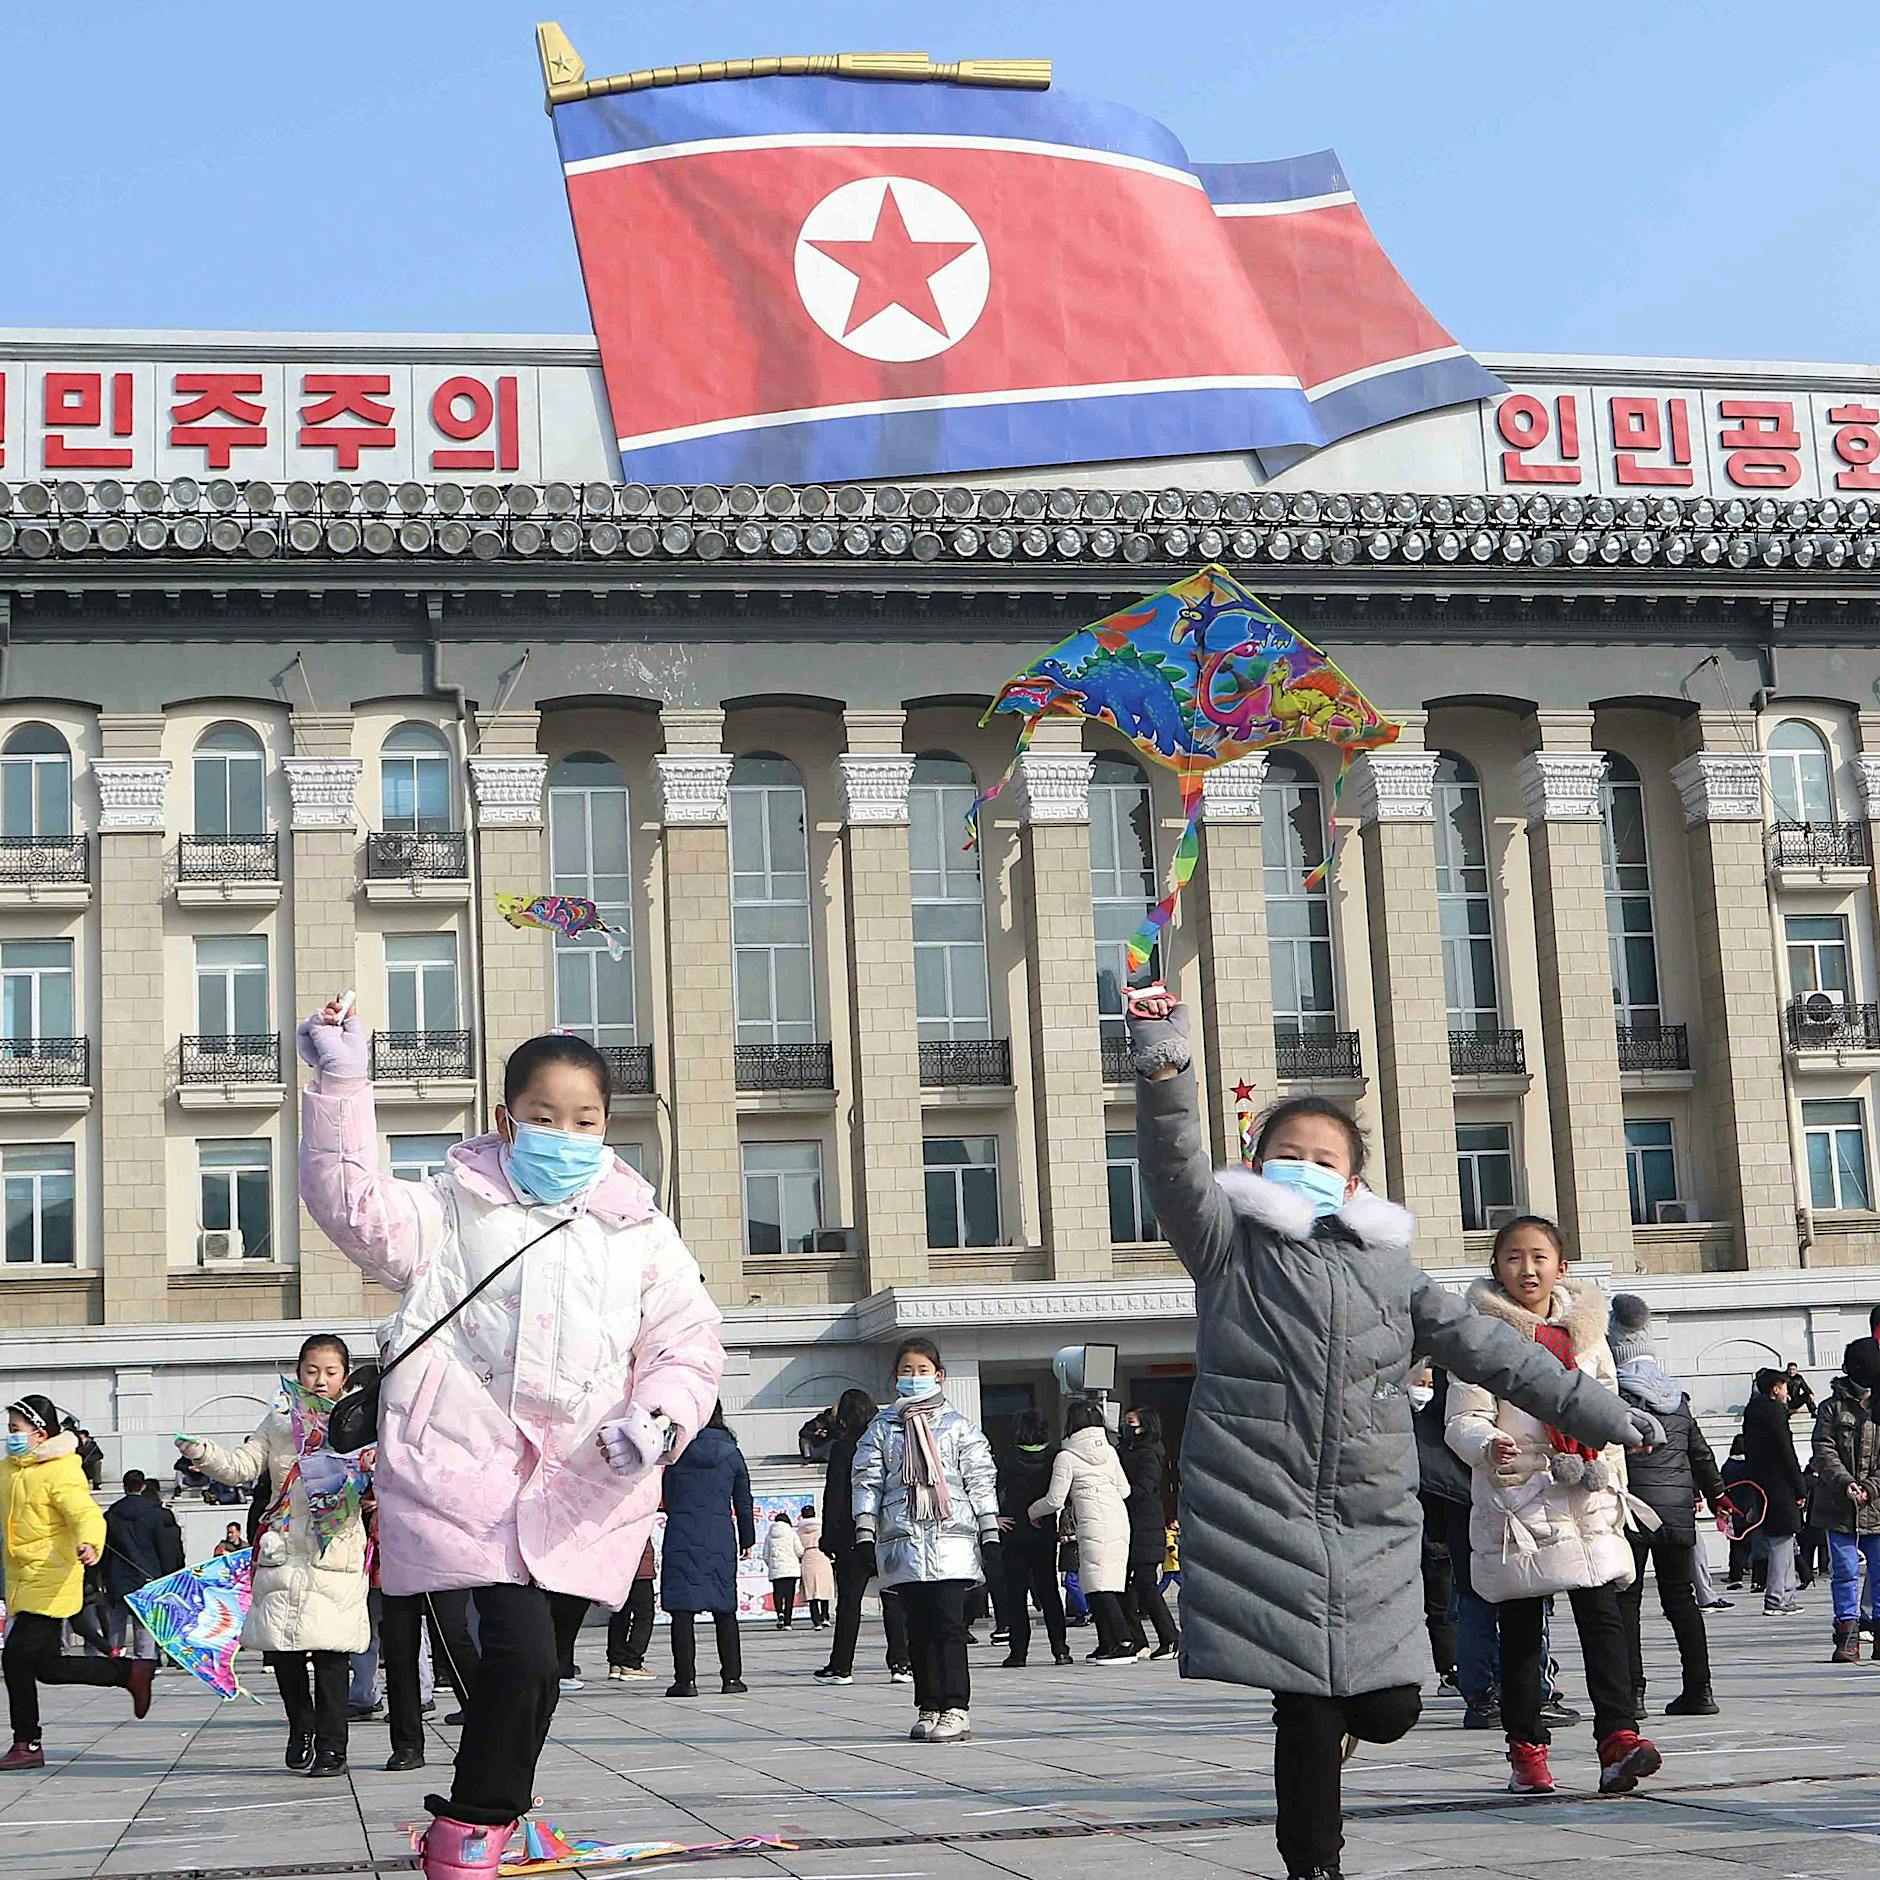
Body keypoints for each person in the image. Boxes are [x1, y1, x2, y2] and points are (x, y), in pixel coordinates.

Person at [1122, 987, 1655, 1880]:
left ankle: (1348, 1738)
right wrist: (1164, 1066)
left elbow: (1495, 1350)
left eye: (1322, 1157)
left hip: (1370, 1510)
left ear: (1353, 1181)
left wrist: (1601, 1412)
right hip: (1262, 1503)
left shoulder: (1391, 1272)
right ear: (1256, 1166)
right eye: (1286, 1154)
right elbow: (1173, 1166)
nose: (1304, 1165)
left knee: (1391, 1708)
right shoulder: (1226, 1246)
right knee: (1305, 1704)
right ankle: (1314, 1865)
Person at [294, 1007, 725, 1880]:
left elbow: (687, 1340)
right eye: (544, 1116)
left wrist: (659, 1421)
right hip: (468, 1472)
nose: (565, 1135)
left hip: (586, 1486)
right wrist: (341, 1082)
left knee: (539, 1673)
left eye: (585, 1120)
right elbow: (353, 1208)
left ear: (608, 1126)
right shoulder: (452, 1207)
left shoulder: (639, 1230)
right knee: (522, 1659)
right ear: (506, 1119)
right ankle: (469, 1834)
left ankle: (486, 1824)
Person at [1447, 1218, 1664, 1800]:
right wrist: (1487, 1444)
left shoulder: (1588, 1335)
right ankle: (1526, 1750)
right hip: (1519, 1496)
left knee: (1604, 1617)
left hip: (1584, 1492)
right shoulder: (1477, 1337)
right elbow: (1462, 1418)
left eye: (1539, 1256)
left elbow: (1608, 1411)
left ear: (1561, 1268)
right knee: (1522, 1630)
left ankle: (1618, 1739)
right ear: (1496, 1268)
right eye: (1513, 1257)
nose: (1528, 1269)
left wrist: (1614, 1476)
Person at [179, 1333, 370, 1778]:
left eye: (330, 1372)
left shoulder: (360, 1422)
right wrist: (202, 1452)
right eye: (311, 1371)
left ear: (344, 1377)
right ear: (298, 1373)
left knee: (332, 1653)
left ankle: (332, 1747)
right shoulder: (278, 1423)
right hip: (283, 1548)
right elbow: (242, 1466)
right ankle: (300, 1725)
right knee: (282, 1649)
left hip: (333, 1549)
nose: (320, 1380)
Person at [852, 1337, 1000, 1744]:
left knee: (950, 1624)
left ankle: (956, 1707)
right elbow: (867, 1480)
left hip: (951, 1537)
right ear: (895, 1377)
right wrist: (865, 1530)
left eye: (922, 1371)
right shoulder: (882, 1428)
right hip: (903, 1537)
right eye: (907, 1371)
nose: (914, 1378)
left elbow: (980, 1477)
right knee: (916, 1627)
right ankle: (928, 1704)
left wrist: (989, 1530)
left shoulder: (959, 1427)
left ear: (939, 1375)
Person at [2, 1393, 155, 1767]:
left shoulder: (62, 1470)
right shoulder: (9, 1469)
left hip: (51, 1575)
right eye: (9, 1428)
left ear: (40, 1433)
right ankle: (129, 1672)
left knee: (15, 1657)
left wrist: (90, 1543)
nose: (10, 1435)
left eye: (16, 1429)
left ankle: (27, 1744)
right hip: (22, 1577)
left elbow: (85, 1513)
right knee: (47, 1667)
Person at [1607, 1294, 1724, 1718]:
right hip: (1676, 1511)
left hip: (1632, 1509)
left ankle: (1632, 1694)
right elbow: (1701, 1454)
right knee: (1681, 1598)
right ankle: (1700, 1689)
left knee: (1627, 1600)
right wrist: (1719, 1496)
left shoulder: (1613, 1395)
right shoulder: (1677, 1398)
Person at [815, 1388, 911, 1686]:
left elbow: (835, 1496)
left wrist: (828, 1537)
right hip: (887, 1530)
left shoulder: (843, 1448)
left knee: (849, 1603)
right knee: (894, 1599)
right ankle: (901, 1664)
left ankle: (841, 1666)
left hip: (851, 1535)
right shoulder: (887, 1443)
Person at [1030, 1400, 1135, 1665]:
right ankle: (1106, 1643)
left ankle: (1124, 1641)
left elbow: (1054, 1499)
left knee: (1097, 1584)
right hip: (1118, 1519)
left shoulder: (1067, 1456)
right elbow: (1125, 1490)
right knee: (1104, 1581)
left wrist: (1032, 1511)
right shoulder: (1110, 1451)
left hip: (1092, 1520)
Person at [659, 1403, 753, 1696]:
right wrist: (747, 1539)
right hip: (720, 1536)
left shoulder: (675, 1451)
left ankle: (685, 1681)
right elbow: (743, 1501)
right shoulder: (732, 1453)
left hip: (682, 1533)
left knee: (681, 1611)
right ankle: (732, 1678)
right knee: (724, 1609)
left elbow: (667, 1495)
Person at [1812, 1337, 1880, 1662]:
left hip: (1876, 1504)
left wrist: (1871, 1486)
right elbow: (1823, 1449)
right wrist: (1847, 1483)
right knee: (1844, 1570)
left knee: (1879, 1572)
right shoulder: (1831, 1407)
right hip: (1838, 1504)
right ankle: (1848, 1635)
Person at [995, 1408, 1071, 1669]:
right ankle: (1060, 1649)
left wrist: (995, 1518)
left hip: (1013, 1530)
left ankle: (1018, 1652)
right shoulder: (1054, 1456)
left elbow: (993, 1489)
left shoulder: (1007, 1458)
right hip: (1043, 1529)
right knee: (1049, 1591)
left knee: (1015, 1594)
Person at [1742, 1368, 1807, 1614]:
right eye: (1785, 1388)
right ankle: (1777, 1597)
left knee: (1783, 1539)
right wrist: (1799, 1487)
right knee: (1782, 1540)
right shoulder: (1775, 1413)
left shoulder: (1752, 1413)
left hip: (1761, 1483)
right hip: (1780, 1483)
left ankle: (1786, 1594)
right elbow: (1786, 1451)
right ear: (1775, 1389)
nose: (1787, 1394)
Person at [1118, 1406, 1179, 1661]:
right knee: (1123, 1589)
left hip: (1146, 1528)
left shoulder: (1149, 1453)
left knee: (1146, 1585)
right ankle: (1138, 1640)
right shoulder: (1124, 1450)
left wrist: (1120, 1492)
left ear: (1144, 1426)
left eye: (1131, 1422)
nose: (1125, 1426)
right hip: (1127, 1527)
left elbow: (1144, 1488)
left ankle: (1171, 1638)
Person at [101, 1470, 166, 1663]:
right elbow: (162, 1545)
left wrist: (102, 1576)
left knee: (117, 1621)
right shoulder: (154, 1512)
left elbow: (105, 1548)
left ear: (124, 1487)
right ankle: (144, 1661)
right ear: (143, 1486)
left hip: (117, 1574)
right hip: (147, 1572)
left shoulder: (112, 1514)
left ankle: (115, 1658)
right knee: (144, 1621)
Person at [609, 1538, 658, 1679]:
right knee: (644, 1614)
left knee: (620, 1612)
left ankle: (616, 1662)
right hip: (639, 1564)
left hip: (617, 1563)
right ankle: (631, 1662)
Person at [1720, 1436, 1756, 1589]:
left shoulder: (1727, 1466)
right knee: (1755, 1543)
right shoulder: (1750, 1466)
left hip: (1734, 1507)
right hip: (1751, 1507)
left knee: (1736, 1544)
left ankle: (1735, 1576)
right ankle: (1757, 1577)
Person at [765, 1510, 803, 1629]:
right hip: (790, 1569)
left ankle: (779, 1612)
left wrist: (772, 1565)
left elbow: (765, 1555)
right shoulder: (792, 1533)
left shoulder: (769, 1536)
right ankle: (787, 1622)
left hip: (776, 1569)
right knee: (789, 1597)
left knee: (778, 1593)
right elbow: (799, 1551)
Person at [798, 1506, 834, 1629]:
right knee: (824, 1588)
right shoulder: (821, 1528)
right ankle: (825, 1617)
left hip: (807, 1558)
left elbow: (797, 1549)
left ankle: (816, 1621)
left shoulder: (799, 1532)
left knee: (811, 1591)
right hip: (822, 1556)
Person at [1160, 1520, 1181, 1594]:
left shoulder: (1174, 1535)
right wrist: (1178, 1557)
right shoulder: (1169, 1536)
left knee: (1164, 1583)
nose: (1178, 1523)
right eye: (1176, 1522)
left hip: (1172, 1566)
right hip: (1172, 1566)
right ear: (1172, 1524)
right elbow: (1171, 1549)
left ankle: (1155, 1595)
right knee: (1184, 1584)